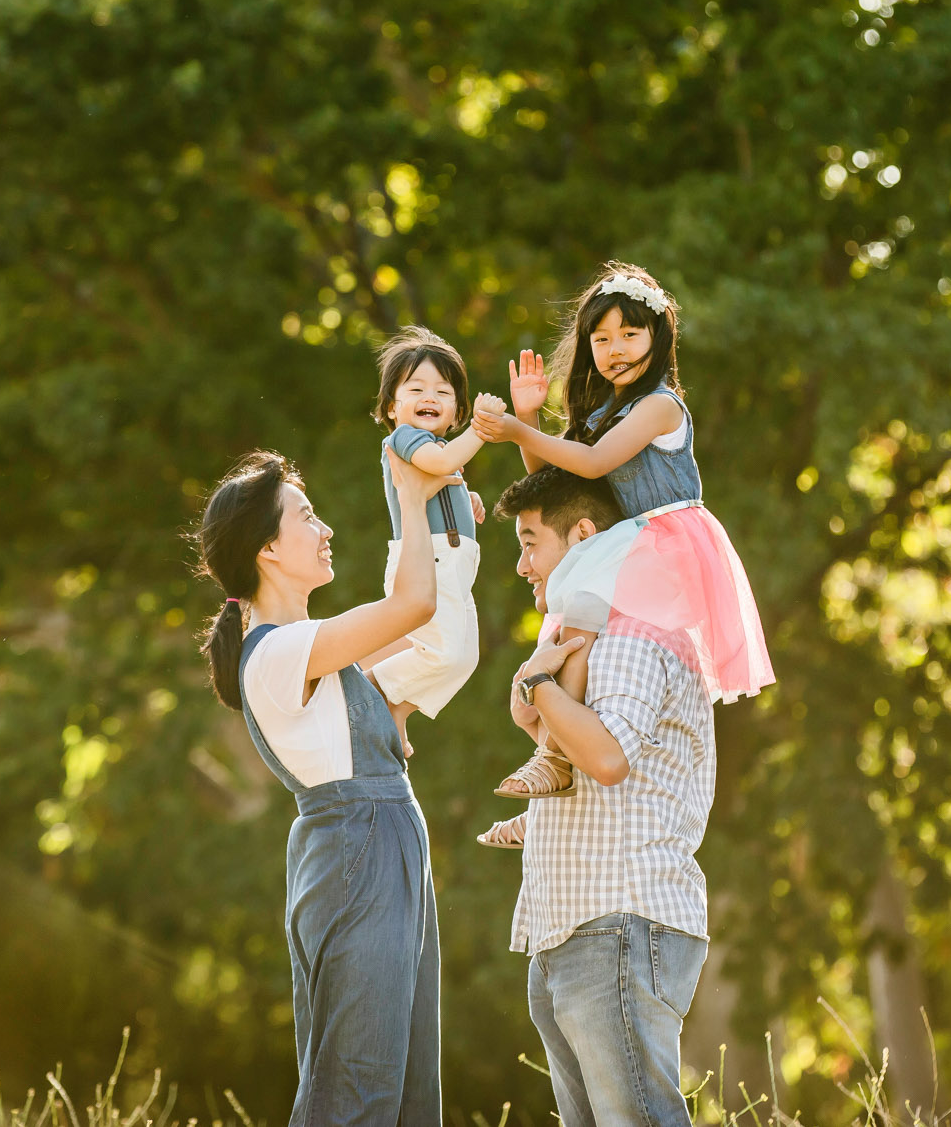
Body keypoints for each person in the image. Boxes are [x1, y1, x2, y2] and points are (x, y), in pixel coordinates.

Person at [193, 448, 457, 1127]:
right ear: (270, 548)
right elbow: (414, 601)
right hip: (357, 856)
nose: (327, 527)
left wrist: (447, 515)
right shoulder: (280, 651)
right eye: (308, 516)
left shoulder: (313, 643)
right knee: (356, 1089)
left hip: (380, 849)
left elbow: (434, 631)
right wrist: (412, 494)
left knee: (402, 1092)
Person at [472, 261, 774, 805]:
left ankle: (557, 758)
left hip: (667, 537)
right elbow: (551, 483)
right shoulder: (604, 411)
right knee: (567, 617)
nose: (616, 349)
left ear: (658, 336)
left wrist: (516, 429)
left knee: (579, 608)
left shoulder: (660, 406)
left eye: (630, 334)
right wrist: (530, 421)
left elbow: (591, 465)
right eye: (602, 338)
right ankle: (556, 757)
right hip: (630, 539)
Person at [485, 465, 718, 1127]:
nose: (524, 563)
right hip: (573, 926)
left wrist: (538, 687)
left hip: (619, 920)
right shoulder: (584, 634)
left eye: (531, 541)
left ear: (582, 534)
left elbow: (608, 756)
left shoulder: (633, 630)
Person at [364, 327, 496, 758]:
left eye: (443, 390)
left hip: (454, 567)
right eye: (417, 388)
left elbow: (442, 472)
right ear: (391, 406)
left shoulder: (433, 445)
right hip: (428, 561)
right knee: (441, 653)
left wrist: (465, 496)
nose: (430, 397)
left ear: (455, 409)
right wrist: (481, 429)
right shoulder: (404, 439)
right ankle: (375, 684)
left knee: (465, 656)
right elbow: (441, 463)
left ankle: (396, 710)